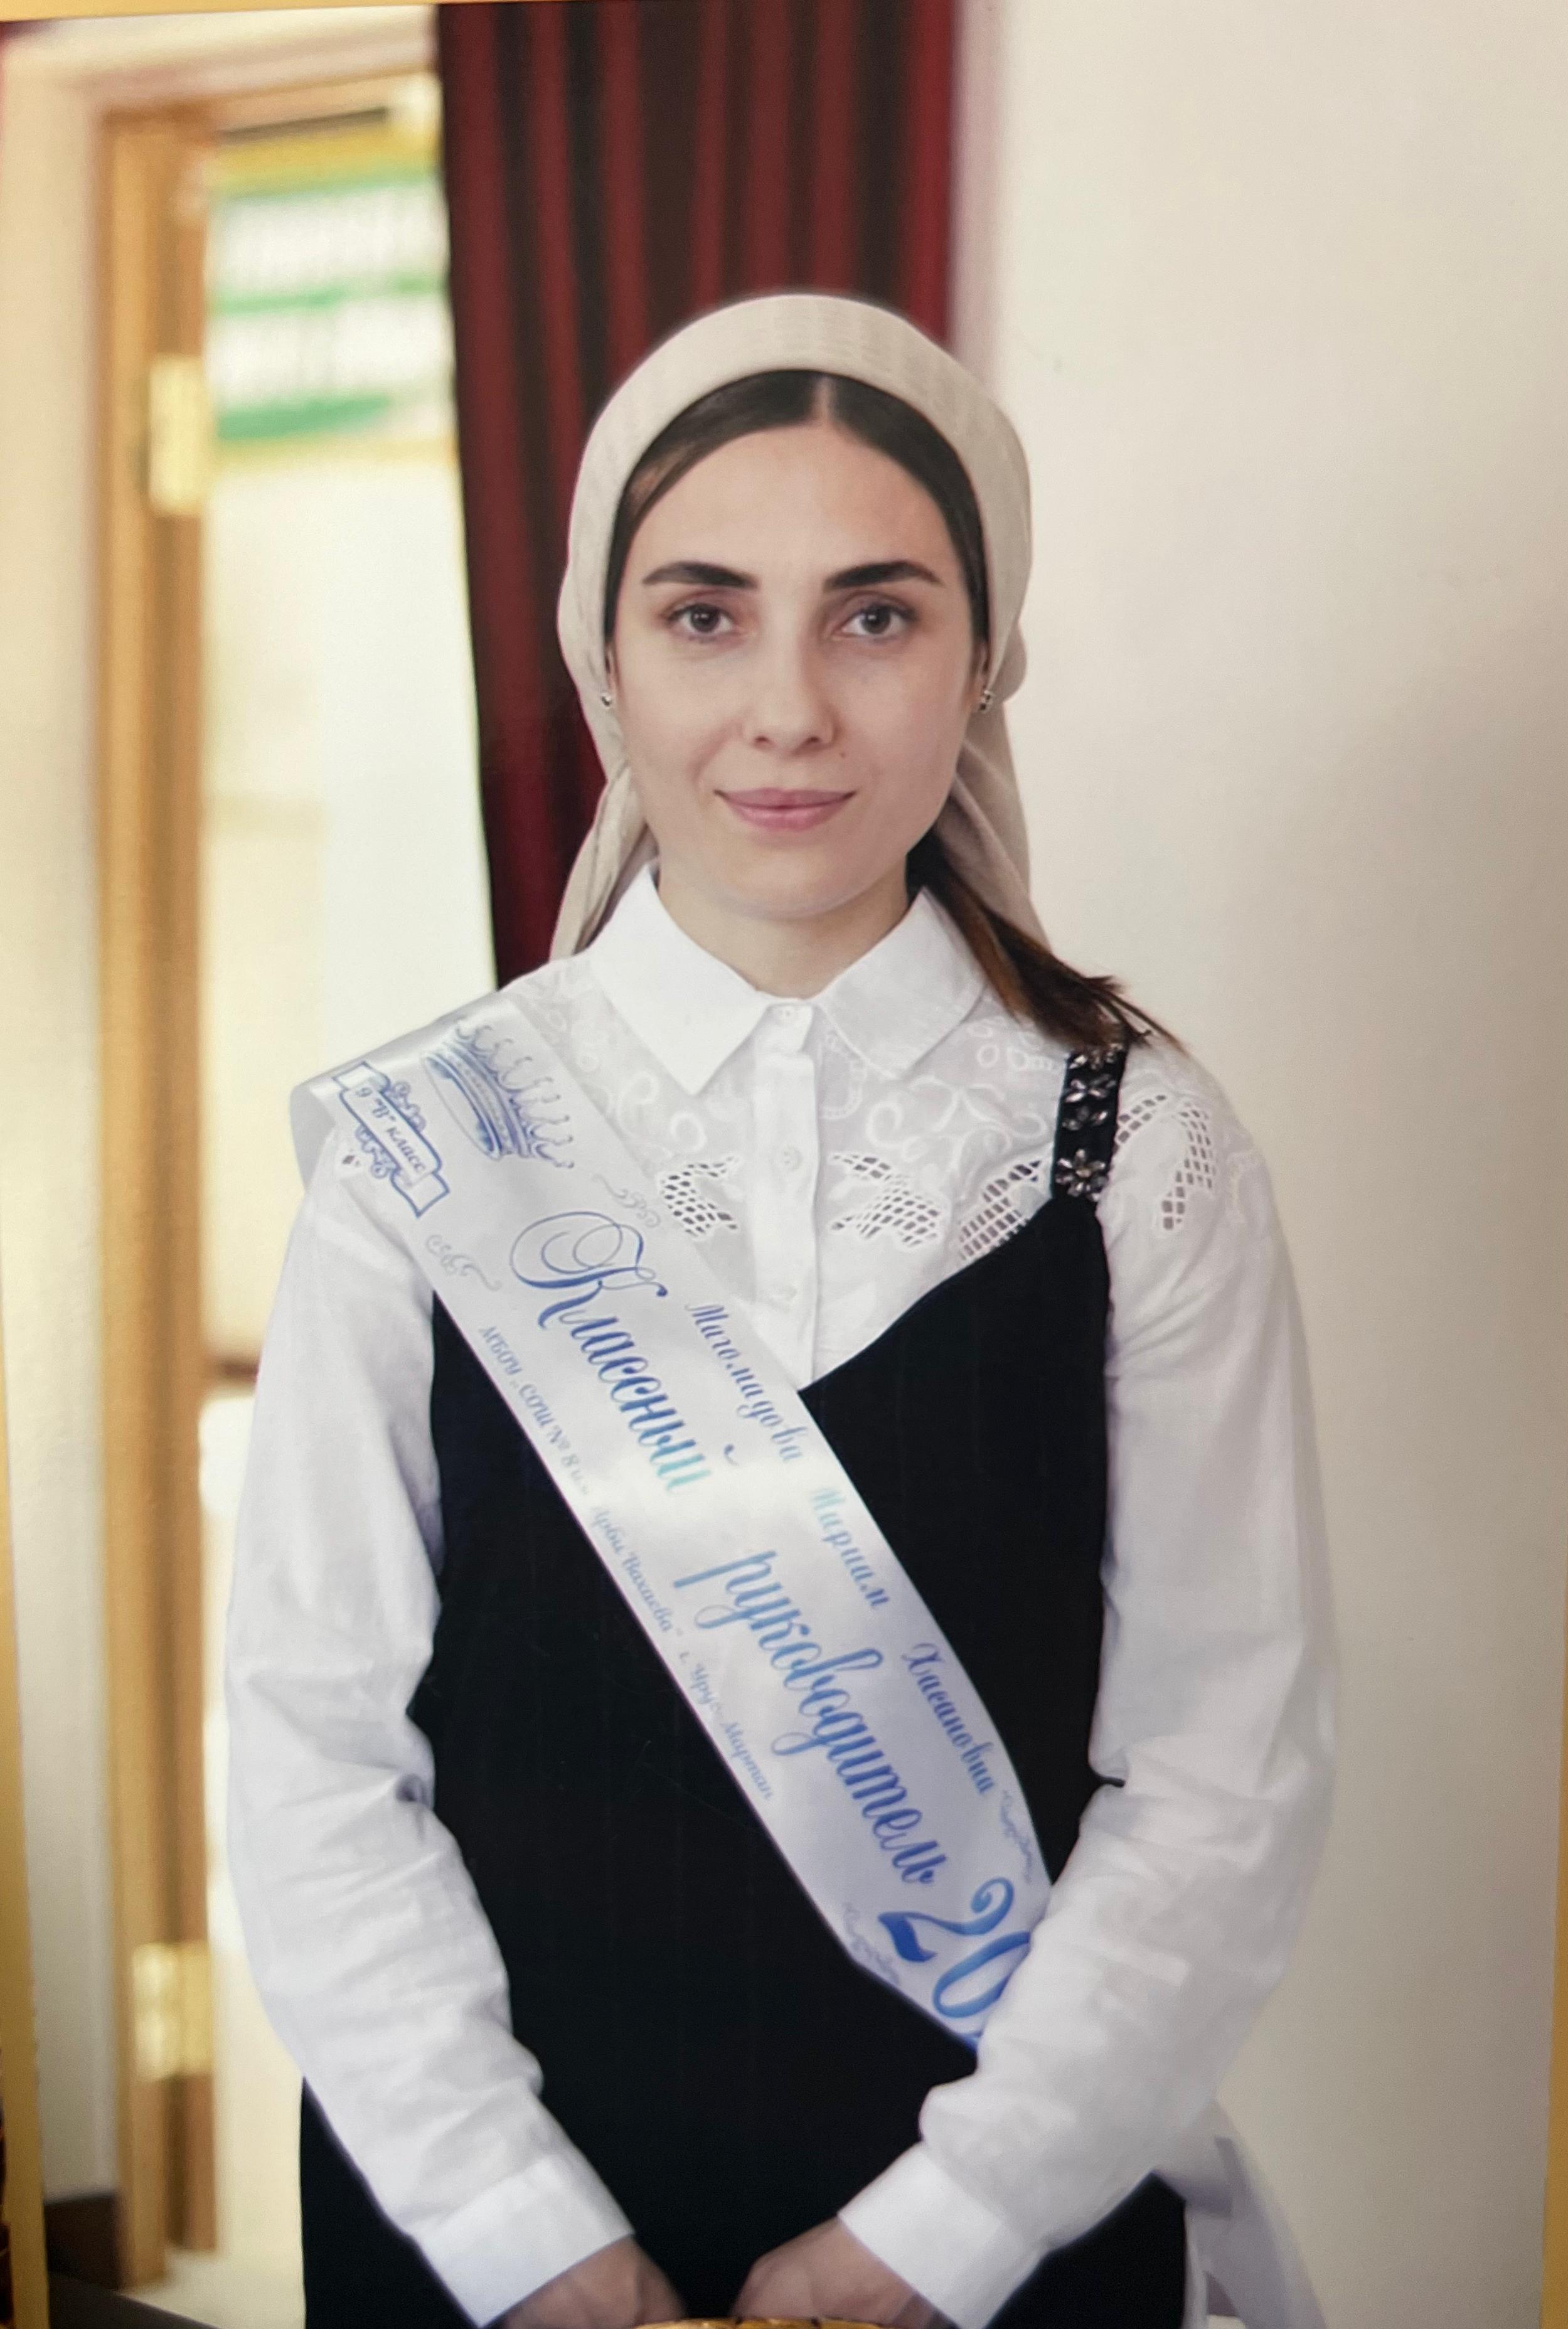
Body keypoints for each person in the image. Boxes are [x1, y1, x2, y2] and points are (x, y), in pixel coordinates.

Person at [226, 292, 1335, 2329]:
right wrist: (521, 2235)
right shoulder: (428, 1149)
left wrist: (942, 2237)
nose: (789, 711)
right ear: (604, 657)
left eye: (875, 616)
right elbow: (311, 1751)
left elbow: (1220, 1773)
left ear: (982, 658)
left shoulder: (1134, 1150)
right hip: (482, 2232)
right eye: (705, 615)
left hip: (1006, 2230)